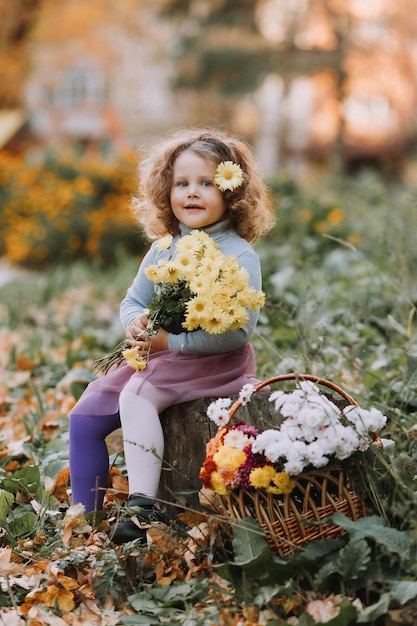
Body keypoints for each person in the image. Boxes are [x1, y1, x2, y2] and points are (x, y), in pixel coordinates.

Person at [68, 127, 275, 543]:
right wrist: (135, 324)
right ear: (167, 191)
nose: (192, 193)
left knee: (136, 396)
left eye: (206, 183)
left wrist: (169, 342)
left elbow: (237, 332)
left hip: (211, 360)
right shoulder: (165, 247)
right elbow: (133, 300)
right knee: (84, 418)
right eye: (182, 183)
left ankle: (144, 508)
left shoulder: (237, 255)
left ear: (232, 193)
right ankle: (83, 520)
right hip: (159, 355)